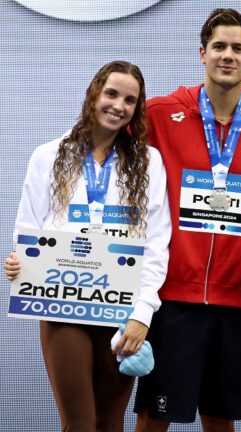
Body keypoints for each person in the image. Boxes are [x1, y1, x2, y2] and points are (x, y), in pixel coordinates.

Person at [133, 8, 241, 432]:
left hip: (237, 298)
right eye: (219, 46)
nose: (228, 55)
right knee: (155, 415)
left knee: (222, 418)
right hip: (172, 296)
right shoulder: (160, 113)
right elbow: (106, 155)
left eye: (239, 48)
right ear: (202, 53)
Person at [3, 60, 170, 432]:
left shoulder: (148, 162)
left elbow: (157, 244)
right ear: (94, 94)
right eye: (111, 93)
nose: (118, 105)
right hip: (63, 304)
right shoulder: (48, 155)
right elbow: (28, 229)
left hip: (120, 311)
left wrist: (142, 313)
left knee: (109, 423)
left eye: (130, 100)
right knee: (79, 423)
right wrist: (21, 263)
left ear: (136, 110)